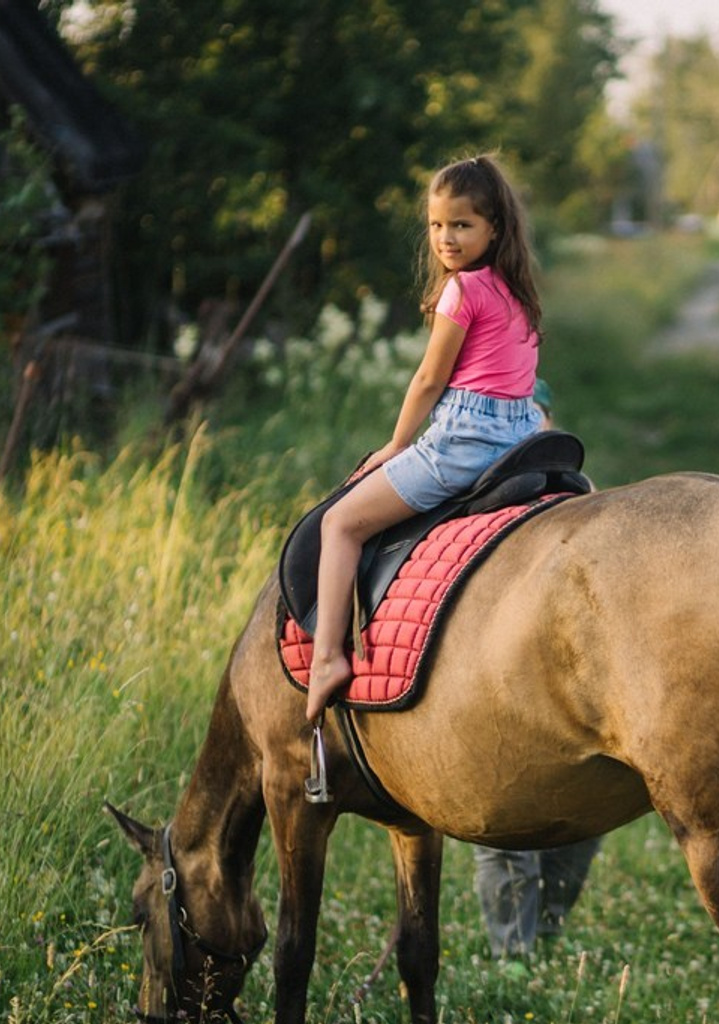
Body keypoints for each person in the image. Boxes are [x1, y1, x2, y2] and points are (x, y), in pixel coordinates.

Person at [306, 154, 544, 719]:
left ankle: (326, 661)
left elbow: (430, 378)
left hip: (464, 441)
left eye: (462, 225)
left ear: (494, 228)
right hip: (521, 436)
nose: (446, 238)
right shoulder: (517, 290)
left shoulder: (462, 291)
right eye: (437, 225)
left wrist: (395, 446)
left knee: (339, 524)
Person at [472, 377, 601, 961]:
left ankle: (545, 932)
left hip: (570, 681)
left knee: (584, 821)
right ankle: (512, 957)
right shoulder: (477, 490)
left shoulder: (582, 496)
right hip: (498, 679)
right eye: (522, 415)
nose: (532, 427)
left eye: (539, 416)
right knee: (505, 825)